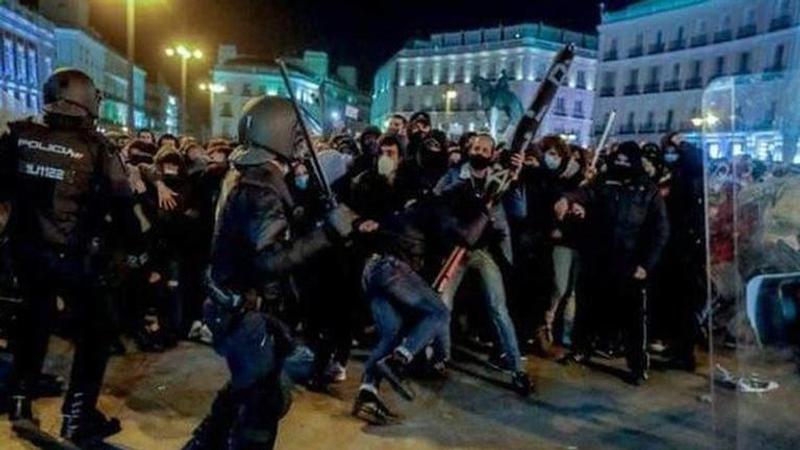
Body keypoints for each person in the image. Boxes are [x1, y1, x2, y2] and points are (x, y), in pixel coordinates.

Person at [183, 96, 361, 450]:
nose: (303, 141)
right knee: (261, 410)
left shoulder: (255, 175)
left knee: (251, 390)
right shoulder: (262, 187)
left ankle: (202, 445)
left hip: (239, 310)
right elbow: (268, 261)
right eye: (297, 133)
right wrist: (327, 234)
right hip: (245, 316)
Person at [0, 69, 147, 444]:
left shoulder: (16, 136)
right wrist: (138, 249)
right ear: (85, 99)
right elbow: (125, 211)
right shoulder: (97, 148)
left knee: (31, 323)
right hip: (75, 257)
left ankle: (20, 402)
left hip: (24, 252)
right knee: (98, 331)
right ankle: (77, 417)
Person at [347, 134, 450, 423]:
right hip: (385, 266)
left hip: (381, 269)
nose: (385, 156)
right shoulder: (368, 184)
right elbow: (352, 211)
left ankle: (368, 392)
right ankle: (399, 359)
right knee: (439, 312)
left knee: (390, 332)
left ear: (401, 157)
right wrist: (360, 222)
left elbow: (420, 217)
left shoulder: (412, 186)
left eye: (391, 151)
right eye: (382, 151)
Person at [556, 141, 669, 385]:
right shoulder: (604, 182)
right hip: (597, 258)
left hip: (630, 263)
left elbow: (659, 231)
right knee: (587, 308)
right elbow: (584, 193)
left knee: (633, 318)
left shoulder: (648, 190)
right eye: (618, 160)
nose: (621, 165)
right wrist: (568, 199)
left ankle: (637, 365)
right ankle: (580, 349)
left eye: (627, 161)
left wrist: (646, 264)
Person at [433, 133, 532, 396]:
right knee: (443, 304)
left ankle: (516, 368)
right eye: (475, 147)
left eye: (484, 148)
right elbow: (436, 201)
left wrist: (516, 177)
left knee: (498, 308)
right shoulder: (454, 175)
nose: (478, 151)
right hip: (456, 248)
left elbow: (520, 211)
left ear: (491, 153)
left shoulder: (500, 177)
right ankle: (441, 357)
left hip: (486, 250)